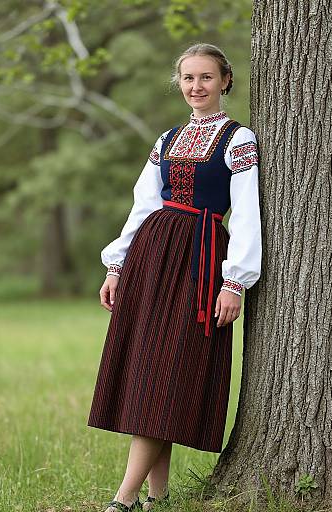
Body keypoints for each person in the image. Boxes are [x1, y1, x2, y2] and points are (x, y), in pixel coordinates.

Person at [87, 42, 262, 512]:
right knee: (151, 373)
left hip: (200, 260)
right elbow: (143, 205)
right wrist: (117, 264)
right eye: (188, 78)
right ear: (179, 83)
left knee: (172, 370)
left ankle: (123, 500)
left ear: (225, 80)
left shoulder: (238, 139)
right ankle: (156, 498)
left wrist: (235, 281)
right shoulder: (166, 140)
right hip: (152, 256)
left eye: (206, 77)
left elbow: (246, 214)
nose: (196, 87)